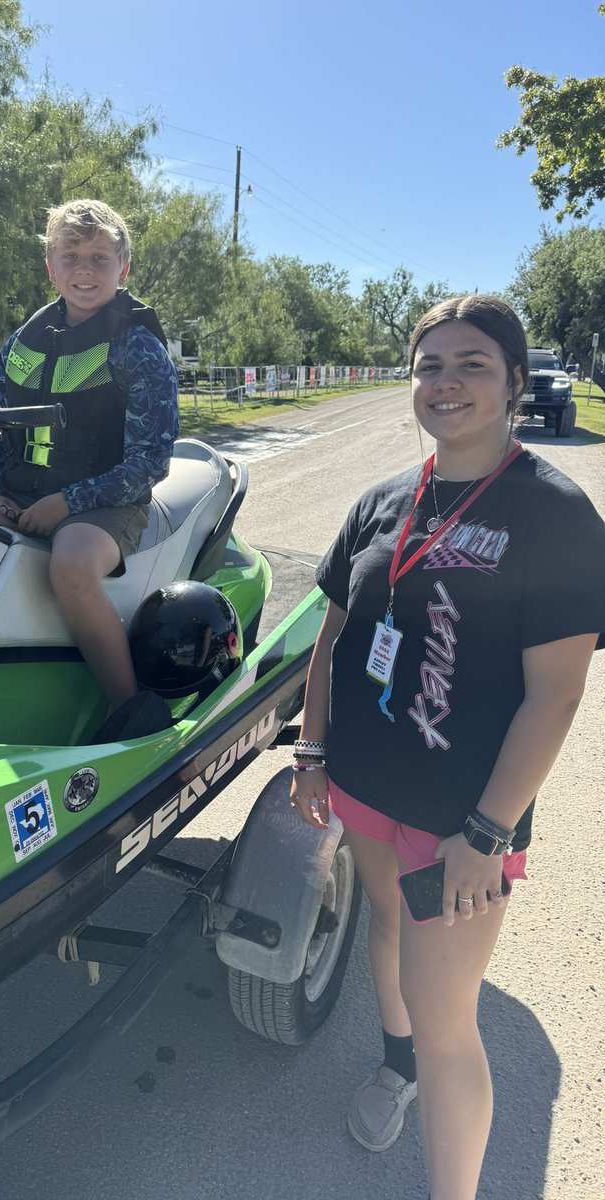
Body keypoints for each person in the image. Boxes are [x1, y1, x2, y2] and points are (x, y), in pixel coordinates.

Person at [289, 294, 605, 1200]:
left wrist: (489, 831)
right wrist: (313, 753)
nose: (447, 382)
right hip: (363, 782)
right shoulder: (386, 499)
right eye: (431, 365)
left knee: (448, 1023)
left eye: (472, 364)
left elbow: (558, 696)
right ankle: (396, 1070)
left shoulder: (556, 515)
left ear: (515, 382)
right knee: (384, 928)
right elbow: (335, 636)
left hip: (462, 814)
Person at [0, 199, 179, 721]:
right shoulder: (22, 342)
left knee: (70, 566)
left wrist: (69, 502)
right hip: (21, 490)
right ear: (51, 266)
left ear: (122, 267)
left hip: (109, 501)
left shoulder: (139, 347)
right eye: (71, 256)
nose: (84, 269)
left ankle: (129, 709)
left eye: (100, 258)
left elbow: (151, 460)